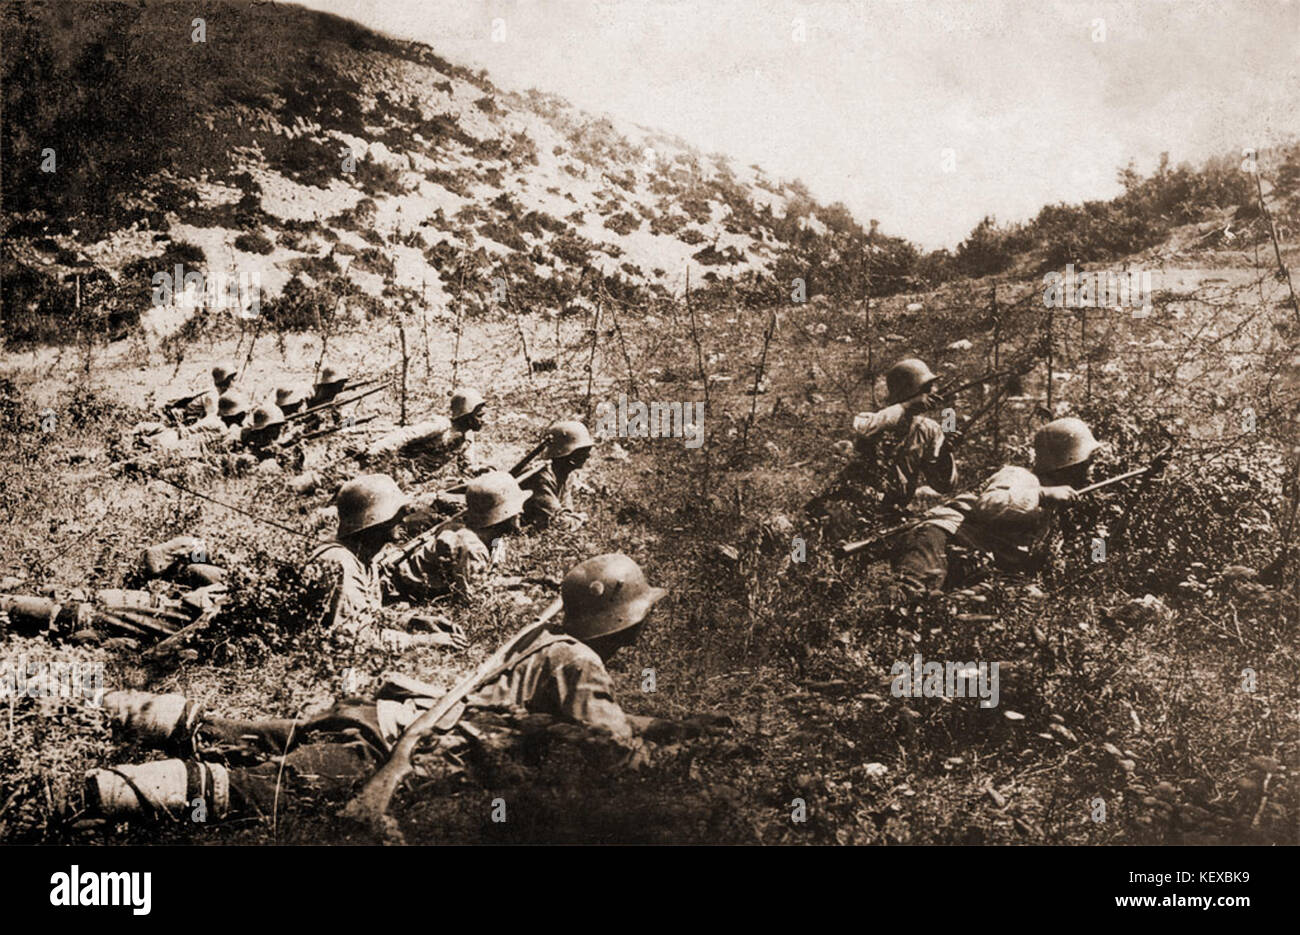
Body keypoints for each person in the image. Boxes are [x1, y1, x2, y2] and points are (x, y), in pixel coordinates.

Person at [82, 554, 693, 824]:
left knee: (237, 732)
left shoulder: (548, 643)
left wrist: (654, 721)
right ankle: (76, 797)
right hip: (395, 748)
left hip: (379, 712)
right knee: (256, 789)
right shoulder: (580, 662)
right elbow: (614, 751)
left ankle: (96, 708)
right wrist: (674, 752)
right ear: (624, 620)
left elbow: (584, 718)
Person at [889, 417, 1101, 592]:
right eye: (1086, 463)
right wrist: (1044, 495)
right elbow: (989, 504)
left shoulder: (1056, 505)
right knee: (909, 602)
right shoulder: (1021, 477)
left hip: (969, 560)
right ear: (1069, 463)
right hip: (938, 537)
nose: (1091, 470)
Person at [301, 473, 484, 651]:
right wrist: (423, 641)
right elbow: (350, 636)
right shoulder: (343, 563)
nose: (403, 518)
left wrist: (413, 621)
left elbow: (369, 614)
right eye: (396, 513)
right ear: (378, 519)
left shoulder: (365, 556)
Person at [808, 358, 957, 520]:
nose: (933, 392)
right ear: (908, 392)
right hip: (847, 508)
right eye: (926, 389)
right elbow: (866, 428)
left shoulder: (929, 430)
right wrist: (907, 406)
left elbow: (943, 486)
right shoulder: (874, 419)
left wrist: (944, 454)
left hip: (890, 513)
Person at [360, 388, 486, 481]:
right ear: (467, 416)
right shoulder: (441, 425)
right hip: (395, 471)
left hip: (420, 480)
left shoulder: (467, 438)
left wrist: (480, 471)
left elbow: (466, 467)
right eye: (479, 416)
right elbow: (405, 434)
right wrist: (375, 449)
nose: (483, 420)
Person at [519, 420, 594, 529]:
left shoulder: (566, 474)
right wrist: (581, 519)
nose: (588, 456)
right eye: (583, 451)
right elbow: (557, 522)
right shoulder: (541, 477)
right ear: (567, 452)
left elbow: (566, 512)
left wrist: (572, 519)